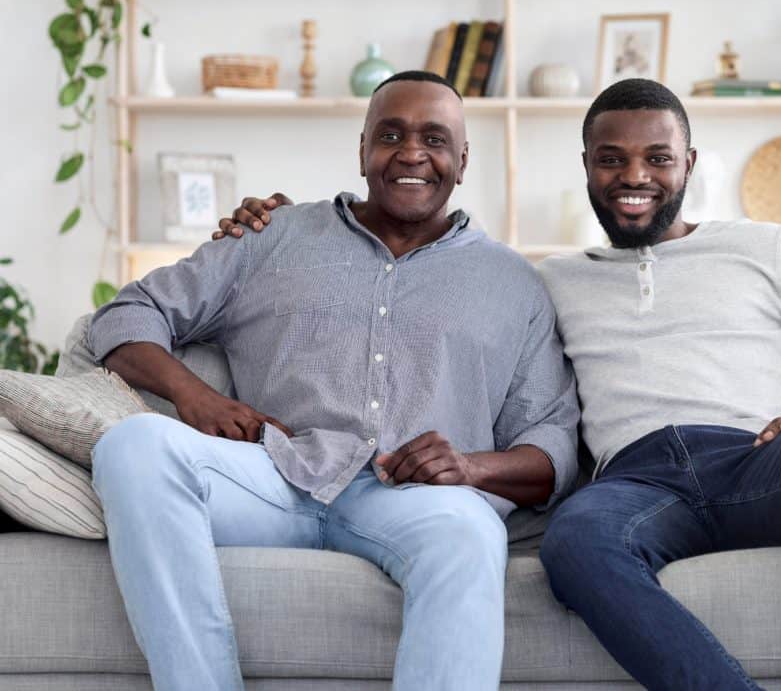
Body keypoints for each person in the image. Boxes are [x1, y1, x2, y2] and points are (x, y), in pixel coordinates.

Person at [218, 79, 781, 691]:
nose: (635, 176)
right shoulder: (546, 281)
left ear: (687, 163)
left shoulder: (769, 249)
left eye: (657, 158)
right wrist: (285, 226)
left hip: (753, 459)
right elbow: (429, 281)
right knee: (573, 542)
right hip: (636, 483)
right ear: (587, 168)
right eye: (612, 159)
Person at [88, 71, 579, 691]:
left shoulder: (515, 285)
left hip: (414, 503)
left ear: (462, 160)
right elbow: (127, 315)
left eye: (433, 138)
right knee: (132, 446)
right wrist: (198, 397)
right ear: (363, 151)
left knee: (468, 533)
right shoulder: (271, 237)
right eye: (390, 134)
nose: (410, 153)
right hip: (274, 475)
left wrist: (472, 467)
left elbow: (554, 447)